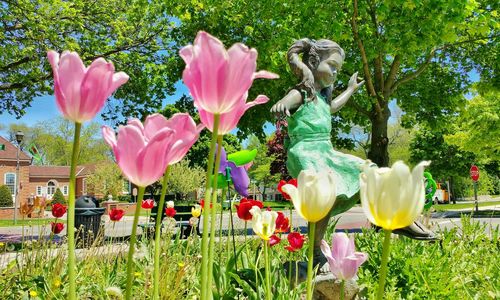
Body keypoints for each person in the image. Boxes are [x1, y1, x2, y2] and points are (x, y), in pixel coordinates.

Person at [271, 38, 437, 269]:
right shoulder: (302, 93)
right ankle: (316, 251)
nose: (335, 72)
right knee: (323, 196)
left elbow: (333, 107)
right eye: (332, 65)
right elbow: (287, 101)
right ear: (312, 61)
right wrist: (281, 104)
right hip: (306, 152)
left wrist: (350, 89)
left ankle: (398, 218)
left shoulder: (321, 98)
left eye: (338, 69)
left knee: (367, 170)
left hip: (325, 151)